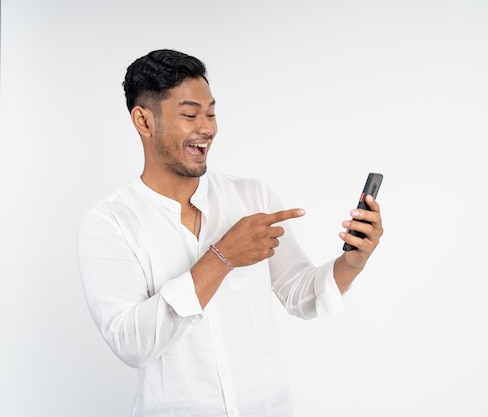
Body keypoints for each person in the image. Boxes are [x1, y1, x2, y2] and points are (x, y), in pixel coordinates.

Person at [77, 49, 383, 417]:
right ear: (144, 121)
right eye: (190, 114)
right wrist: (222, 257)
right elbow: (131, 343)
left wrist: (352, 262)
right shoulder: (109, 223)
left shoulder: (253, 197)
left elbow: (300, 295)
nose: (207, 128)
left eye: (211, 113)